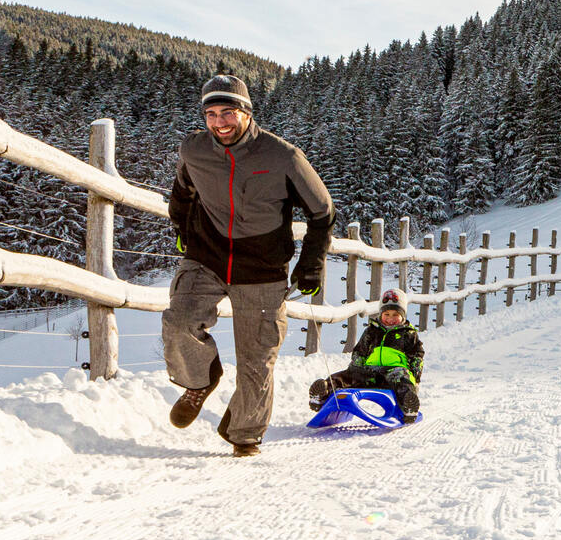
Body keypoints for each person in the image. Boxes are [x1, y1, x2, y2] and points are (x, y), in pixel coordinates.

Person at [162, 74, 335, 457]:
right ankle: (200, 381)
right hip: (206, 254)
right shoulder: (194, 149)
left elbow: (322, 212)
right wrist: (181, 225)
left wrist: (311, 264)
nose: (219, 122)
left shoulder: (282, 156)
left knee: (257, 359)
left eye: (228, 112)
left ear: (246, 112)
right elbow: (183, 191)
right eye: (211, 113)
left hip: (262, 265)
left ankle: (244, 434)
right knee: (178, 322)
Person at [309, 290, 425, 422]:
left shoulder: (408, 334)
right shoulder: (372, 330)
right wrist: (356, 367)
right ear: (381, 313)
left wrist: (414, 377)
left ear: (403, 316)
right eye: (386, 314)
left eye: (395, 315)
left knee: (402, 381)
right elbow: (360, 350)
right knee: (346, 377)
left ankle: (408, 405)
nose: (390, 318)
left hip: (394, 371)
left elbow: (417, 356)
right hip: (370, 371)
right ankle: (323, 393)